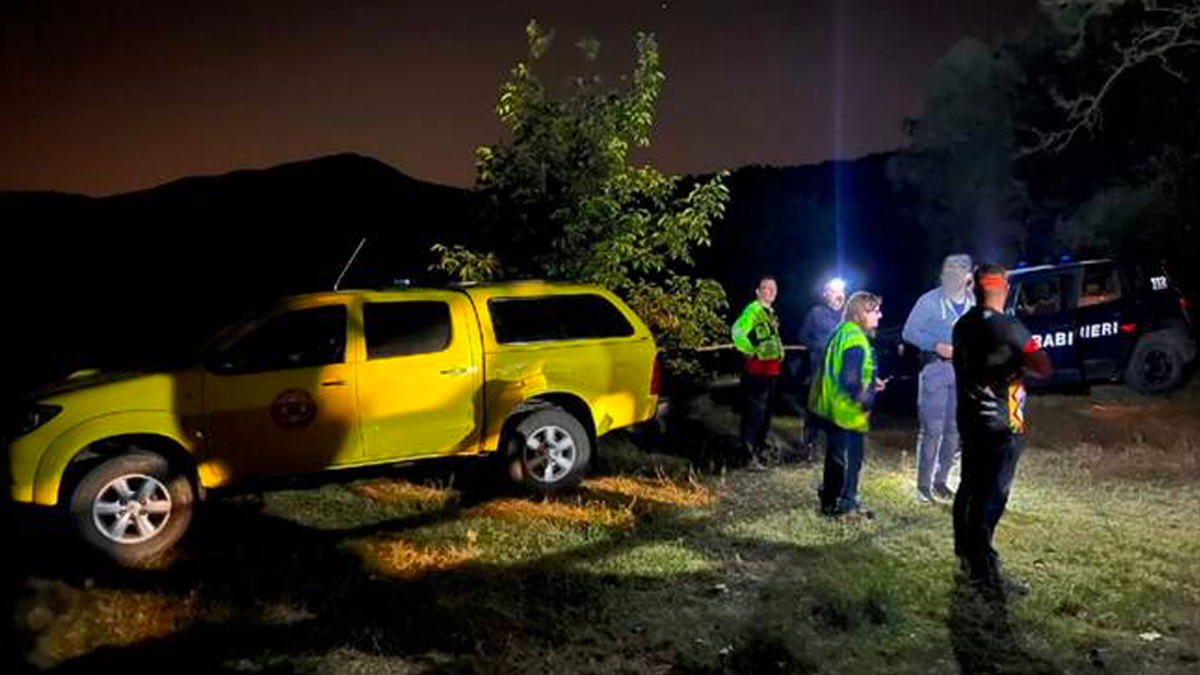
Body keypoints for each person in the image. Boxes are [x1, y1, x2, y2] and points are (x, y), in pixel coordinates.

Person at [952, 263, 1052, 597]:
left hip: (969, 419)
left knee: (969, 487)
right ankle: (986, 572)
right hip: (1002, 425)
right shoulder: (1010, 327)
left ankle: (965, 555)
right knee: (991, 496)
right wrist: (1016, 364)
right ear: (1003, 287)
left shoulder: (962, 325)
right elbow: (1044, 367)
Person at [902, 253, 974, 503]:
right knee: (932, 430)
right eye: (949, 270)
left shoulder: (973, 303)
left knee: (954, 430)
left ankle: (941, 481)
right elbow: (909, 332)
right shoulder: (929, 301)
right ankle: (923, 487)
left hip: (963, 372)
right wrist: (935, 344)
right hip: (935, 369)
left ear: (968, 276)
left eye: (959, 271)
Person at [809, 291, 886, 517]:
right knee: (847, 461)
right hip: (846, 412)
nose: (879, 316)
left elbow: (845, 368)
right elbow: (850, 379)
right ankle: (842, 505)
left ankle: (832, 500)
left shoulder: (842, 332)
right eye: (875, 311)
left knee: (837, 459)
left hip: (832, 408)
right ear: (861, 313)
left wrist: (871, 381)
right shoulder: (855, 338)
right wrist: (866, 398)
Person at [732, 276, 785, 471]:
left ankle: (759, 454)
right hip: (757, 371)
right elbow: (738, 331)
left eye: (774, 288)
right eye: (766, 288)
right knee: (755, 415)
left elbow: (771, 338)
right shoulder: (753, 310)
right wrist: (750, 351)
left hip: (771, 371)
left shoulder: (769, 313)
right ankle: (748, 457)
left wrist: (781, 352)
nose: (771, 291)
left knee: (766, 414)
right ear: (758, 291)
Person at [796, 278, 847, 461]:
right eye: (834, 291)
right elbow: (802, 336)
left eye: (841, 290)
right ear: (826, 294)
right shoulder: (816, 313)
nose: (839, 294)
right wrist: (819, 346)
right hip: (818, 371)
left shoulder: (847, 316)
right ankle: (809, 447)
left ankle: (835, 449)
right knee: (815, 412)